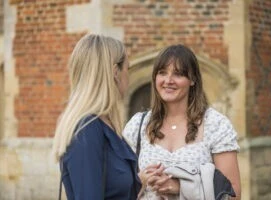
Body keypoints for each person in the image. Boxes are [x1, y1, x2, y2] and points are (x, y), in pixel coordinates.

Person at [123, 44, 241, 199]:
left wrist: (183, 187)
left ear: (192, 80)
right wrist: (141, 182)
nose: (168, 80)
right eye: (162, 73)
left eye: (178, 74)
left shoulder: (215, 125)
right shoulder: (137, 125)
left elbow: (233, 193)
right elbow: (116, 189)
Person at [52, 33, 141, 200]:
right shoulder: (87, 130)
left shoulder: (104, 124)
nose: (127, 76)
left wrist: (139, 181)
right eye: (127, 69)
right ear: (115, 72)